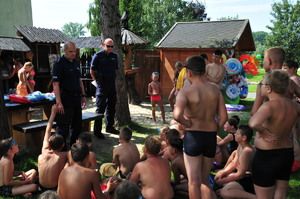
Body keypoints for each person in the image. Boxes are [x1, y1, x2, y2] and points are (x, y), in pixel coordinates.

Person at [173, 55, 228, 199]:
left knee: (193, 182)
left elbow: (177, 115)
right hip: (210, 136)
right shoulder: (215, 90)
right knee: (205, 181)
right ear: (204, 71)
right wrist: (216, 128)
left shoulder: (186, 91)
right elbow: (224, 117)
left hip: (193, 136)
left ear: (189, 72)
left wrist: (187, 123)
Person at [248, 70, 300, 199]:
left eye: (262, 85)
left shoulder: (269, 106)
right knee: (281, 192)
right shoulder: (294, 106)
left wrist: (264, 132)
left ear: (269, 88)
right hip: (286, 153)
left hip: (267, 156)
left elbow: (253, 123)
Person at [52, 41, 87, 150]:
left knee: (77, 126)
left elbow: (79, 80)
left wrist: (83, 95)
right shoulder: (59, 63)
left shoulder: (76, 63)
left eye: (75, 51)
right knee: (63, 127)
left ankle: (74, 149)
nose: (73, 53)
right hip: (65, 98)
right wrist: (59, 102)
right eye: (70, 51)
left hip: (76, 98)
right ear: (65, 51)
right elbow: (55, 84)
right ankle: (60, 150)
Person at [214, 125, 256, 199]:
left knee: (224, 192)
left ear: (244, 138)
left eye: (237, 134)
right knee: (220, 176)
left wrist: (223, 181)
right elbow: (234, 163)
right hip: (241, 176)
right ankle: (229, 186)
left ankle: (256, 197)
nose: (235, 135)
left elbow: (240, 175)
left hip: (249, 179)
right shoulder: (240, 145)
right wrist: (222, 172)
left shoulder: (247, 151)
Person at [90, 38, 119, 139]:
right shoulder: (98, 56)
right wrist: (97, 82)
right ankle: (97, 131)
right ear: (103, 45)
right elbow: (92, 71)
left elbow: (115, 69)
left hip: (111, 84)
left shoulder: (114, 56)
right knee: (100, 107)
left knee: (111, 107)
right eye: (108, 46)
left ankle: (109, 127)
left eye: (112, 46)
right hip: (102, 85)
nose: (110, 48)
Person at [38, 104, 68, 191]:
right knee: (69, 163)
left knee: (40, 157)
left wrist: (53, 113)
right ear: (63, 145)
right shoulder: (64, 155)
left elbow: (48, 130)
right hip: (54, 188)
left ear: (49, 145)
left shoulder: (44, 150)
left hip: (41, 186)